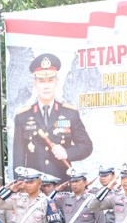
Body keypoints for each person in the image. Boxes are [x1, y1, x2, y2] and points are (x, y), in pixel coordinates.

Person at [12, 53, 93, 182]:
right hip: (34, 187)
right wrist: (20, 185)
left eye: (50, 80)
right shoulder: (23, 116)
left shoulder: (69, 113)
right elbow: (18, 158)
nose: (46, 86)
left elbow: (86, 146)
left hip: (62, 184)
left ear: (56, 82)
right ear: (35, 83)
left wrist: (67, 152)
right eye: (41, 81)